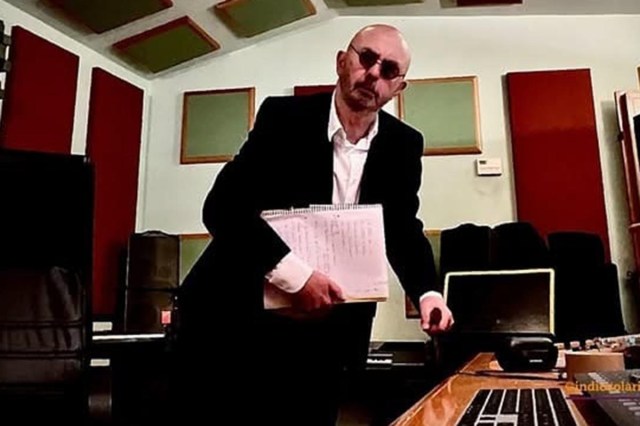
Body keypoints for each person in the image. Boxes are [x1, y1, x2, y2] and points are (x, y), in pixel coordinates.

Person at [171, 24, 454, 425]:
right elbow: (222, 207)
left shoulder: (404, 144)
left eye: (389, 69)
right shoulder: (283, 117)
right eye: (367, 58)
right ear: (342, 61)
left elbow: (402, 226)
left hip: (329, 334)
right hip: (240, 322)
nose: (374, 73)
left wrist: (427, 292)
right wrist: (296, 276)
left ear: (398, 87)